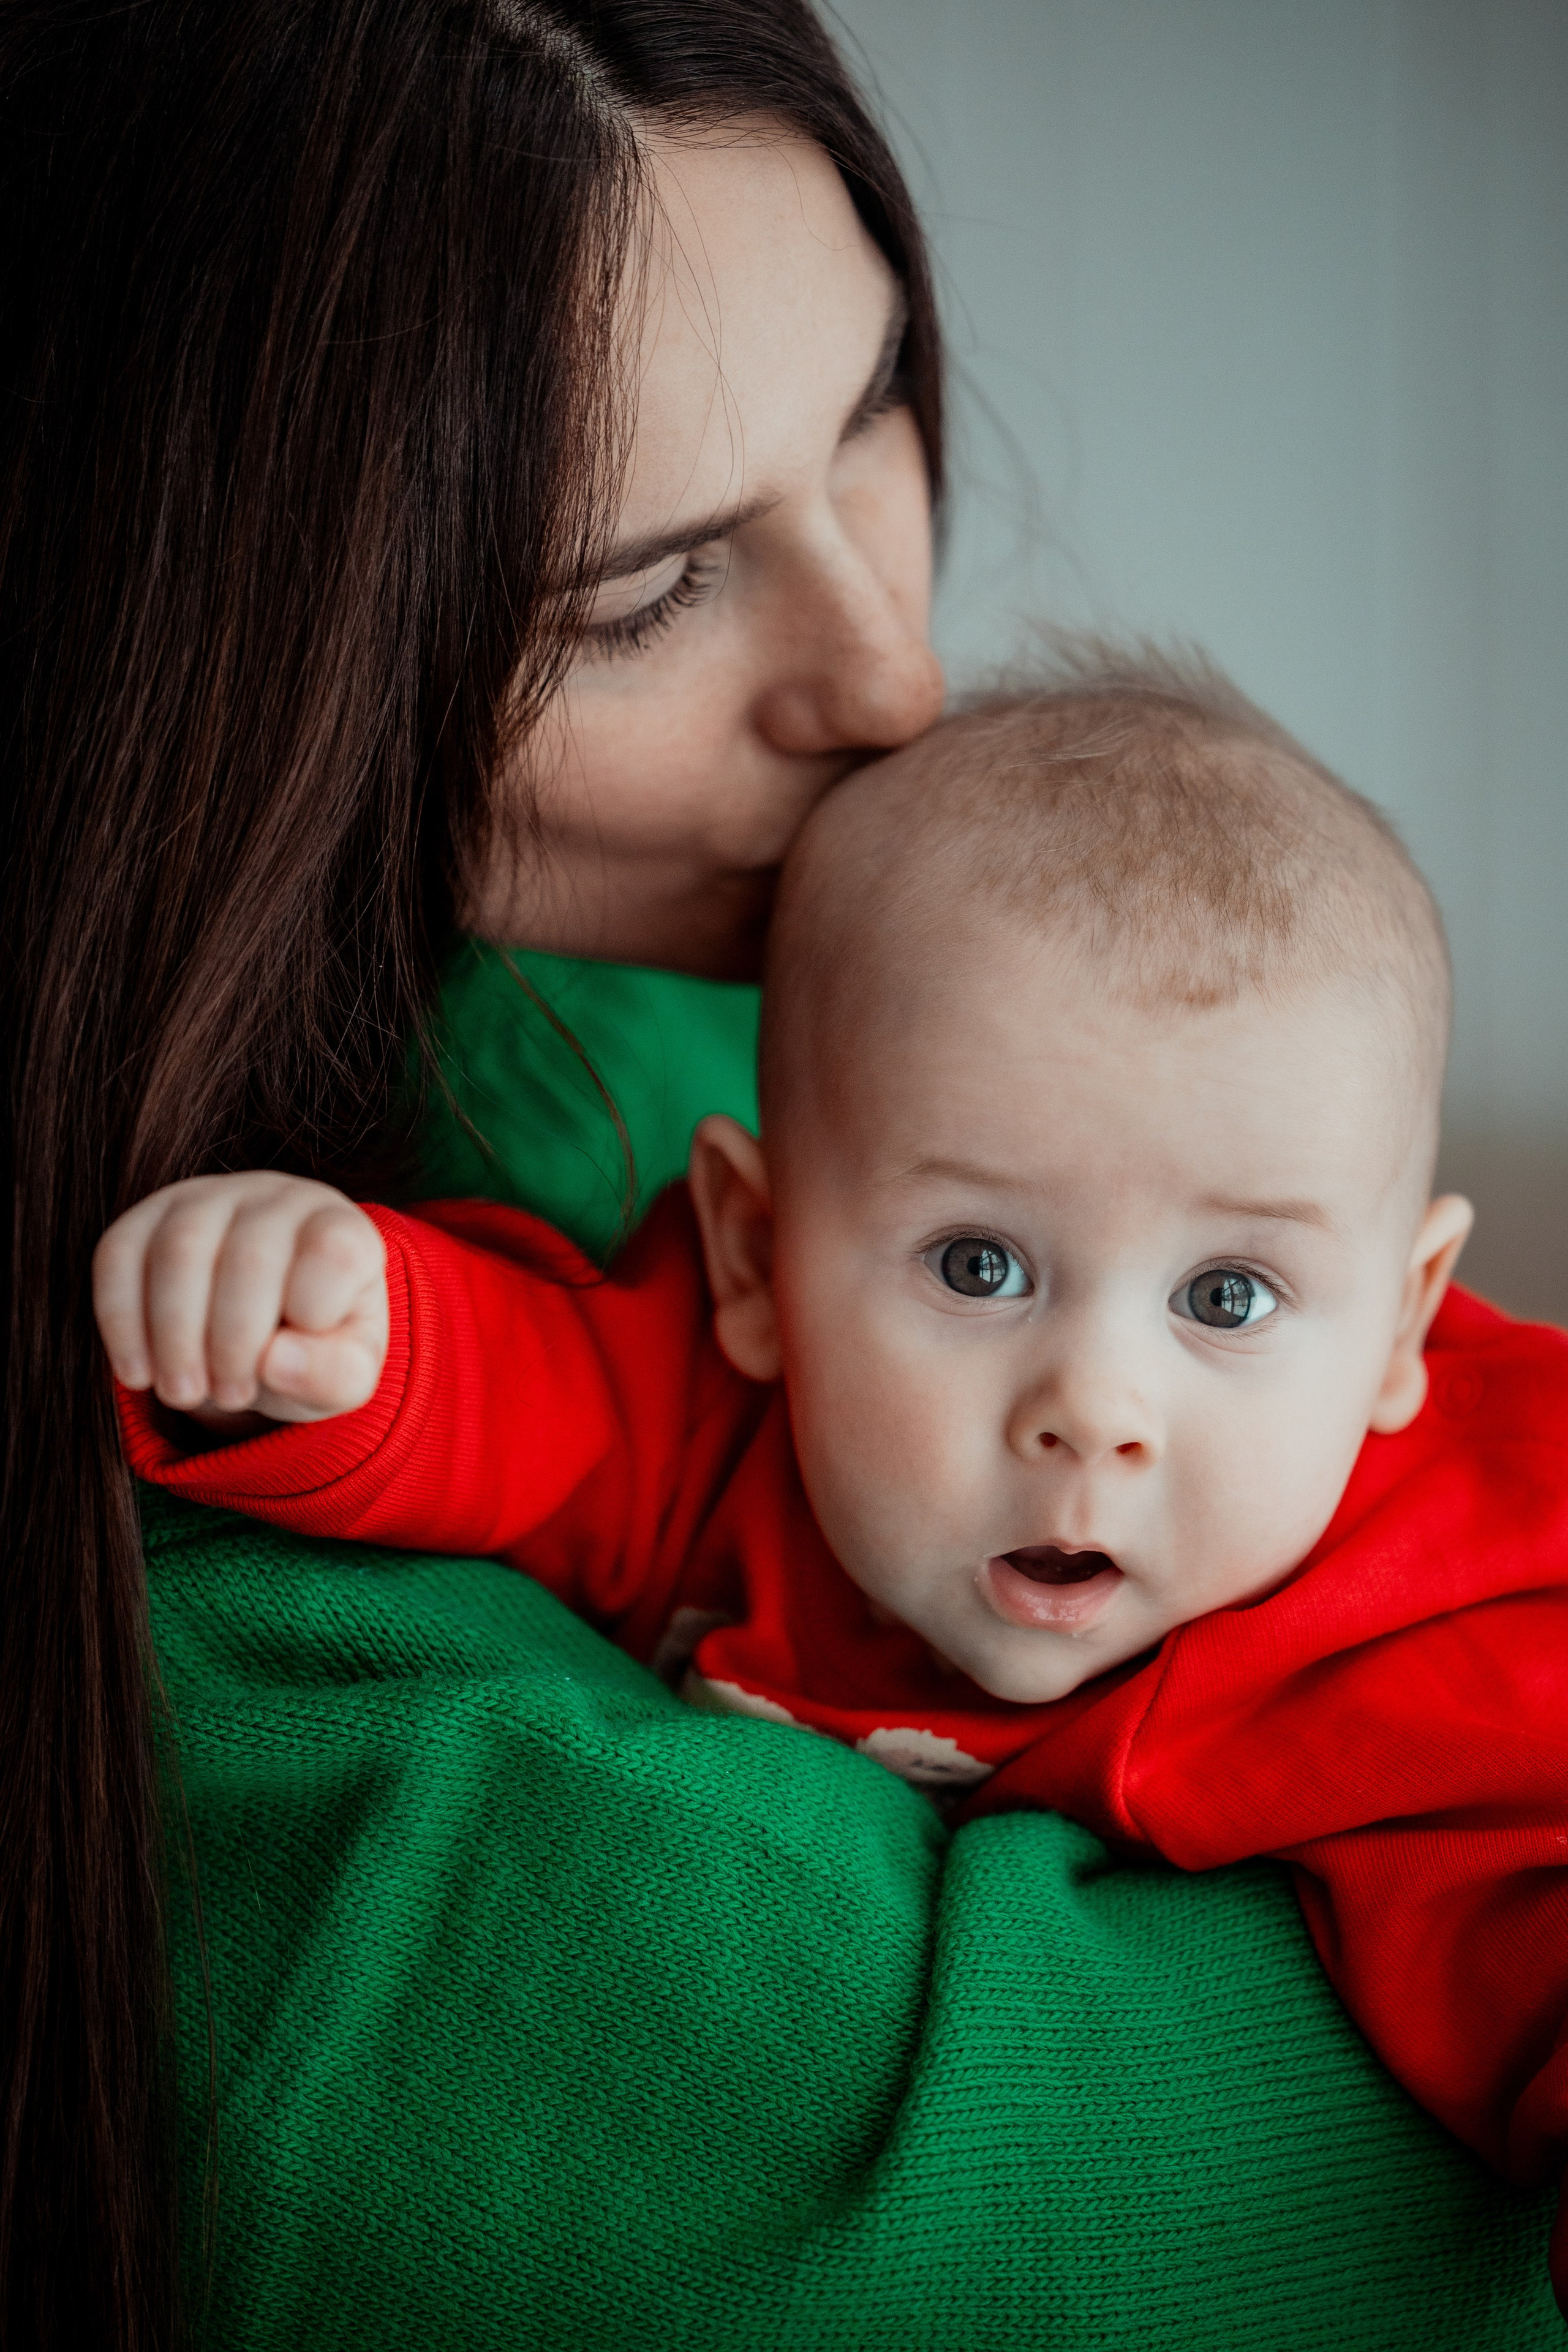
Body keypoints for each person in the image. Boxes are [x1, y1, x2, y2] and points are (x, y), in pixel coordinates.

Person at [2, 4, 1557, 2345]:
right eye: (642, 591)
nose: (894, 677)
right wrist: (338, 1330)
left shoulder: (1449, 1563)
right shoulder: (243, 1586)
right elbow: (560, 1400)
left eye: (875, 426)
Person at [100, 651, 1568, 2314]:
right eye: (978, 1264)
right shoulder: (732, 1418)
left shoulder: (1448, 1620)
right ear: (755, 1252)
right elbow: (537, 1402)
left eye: (1226, 1299)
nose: (1094, 1410)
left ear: (1402, 1330)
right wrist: (336, 1320)